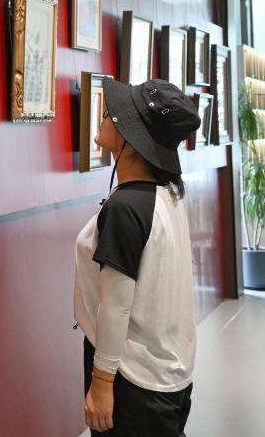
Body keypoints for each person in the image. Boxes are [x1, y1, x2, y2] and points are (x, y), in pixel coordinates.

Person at [74, 78, 202, 436]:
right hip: (165, 374)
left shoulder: (127, 208)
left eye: (116, 114)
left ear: (131, 137)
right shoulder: (165, 195)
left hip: (131, 378)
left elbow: (116, 306)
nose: (106, 114)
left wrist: (102, 383)